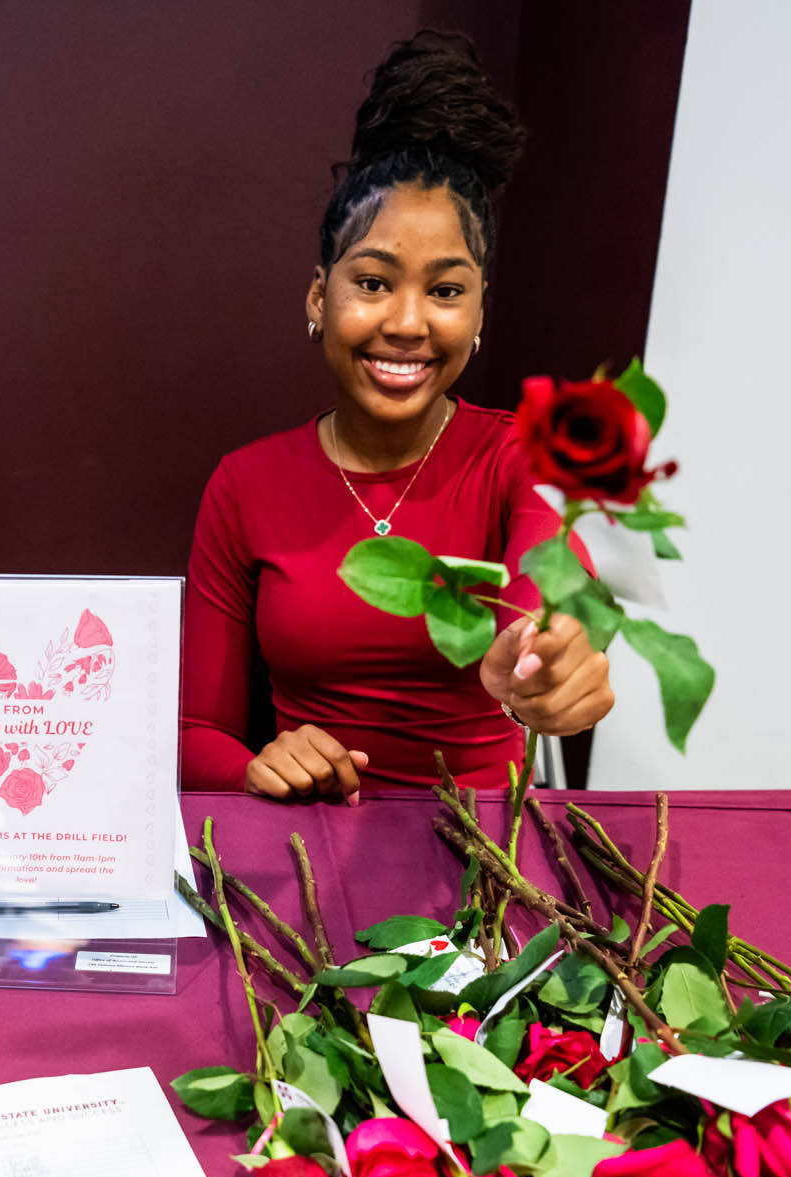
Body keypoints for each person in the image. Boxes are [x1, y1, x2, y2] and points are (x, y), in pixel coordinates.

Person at [181, 32, 612, 802]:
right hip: (306, 840)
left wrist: (549, 654)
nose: (409, 322)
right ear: (321, 296)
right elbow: (194, 735)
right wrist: (257, 765)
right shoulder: (243, 485)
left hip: (484, 849)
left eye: (445, 291)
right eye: (375, 282)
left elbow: (547, 585)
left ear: (480, 311)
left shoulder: (522, 454)